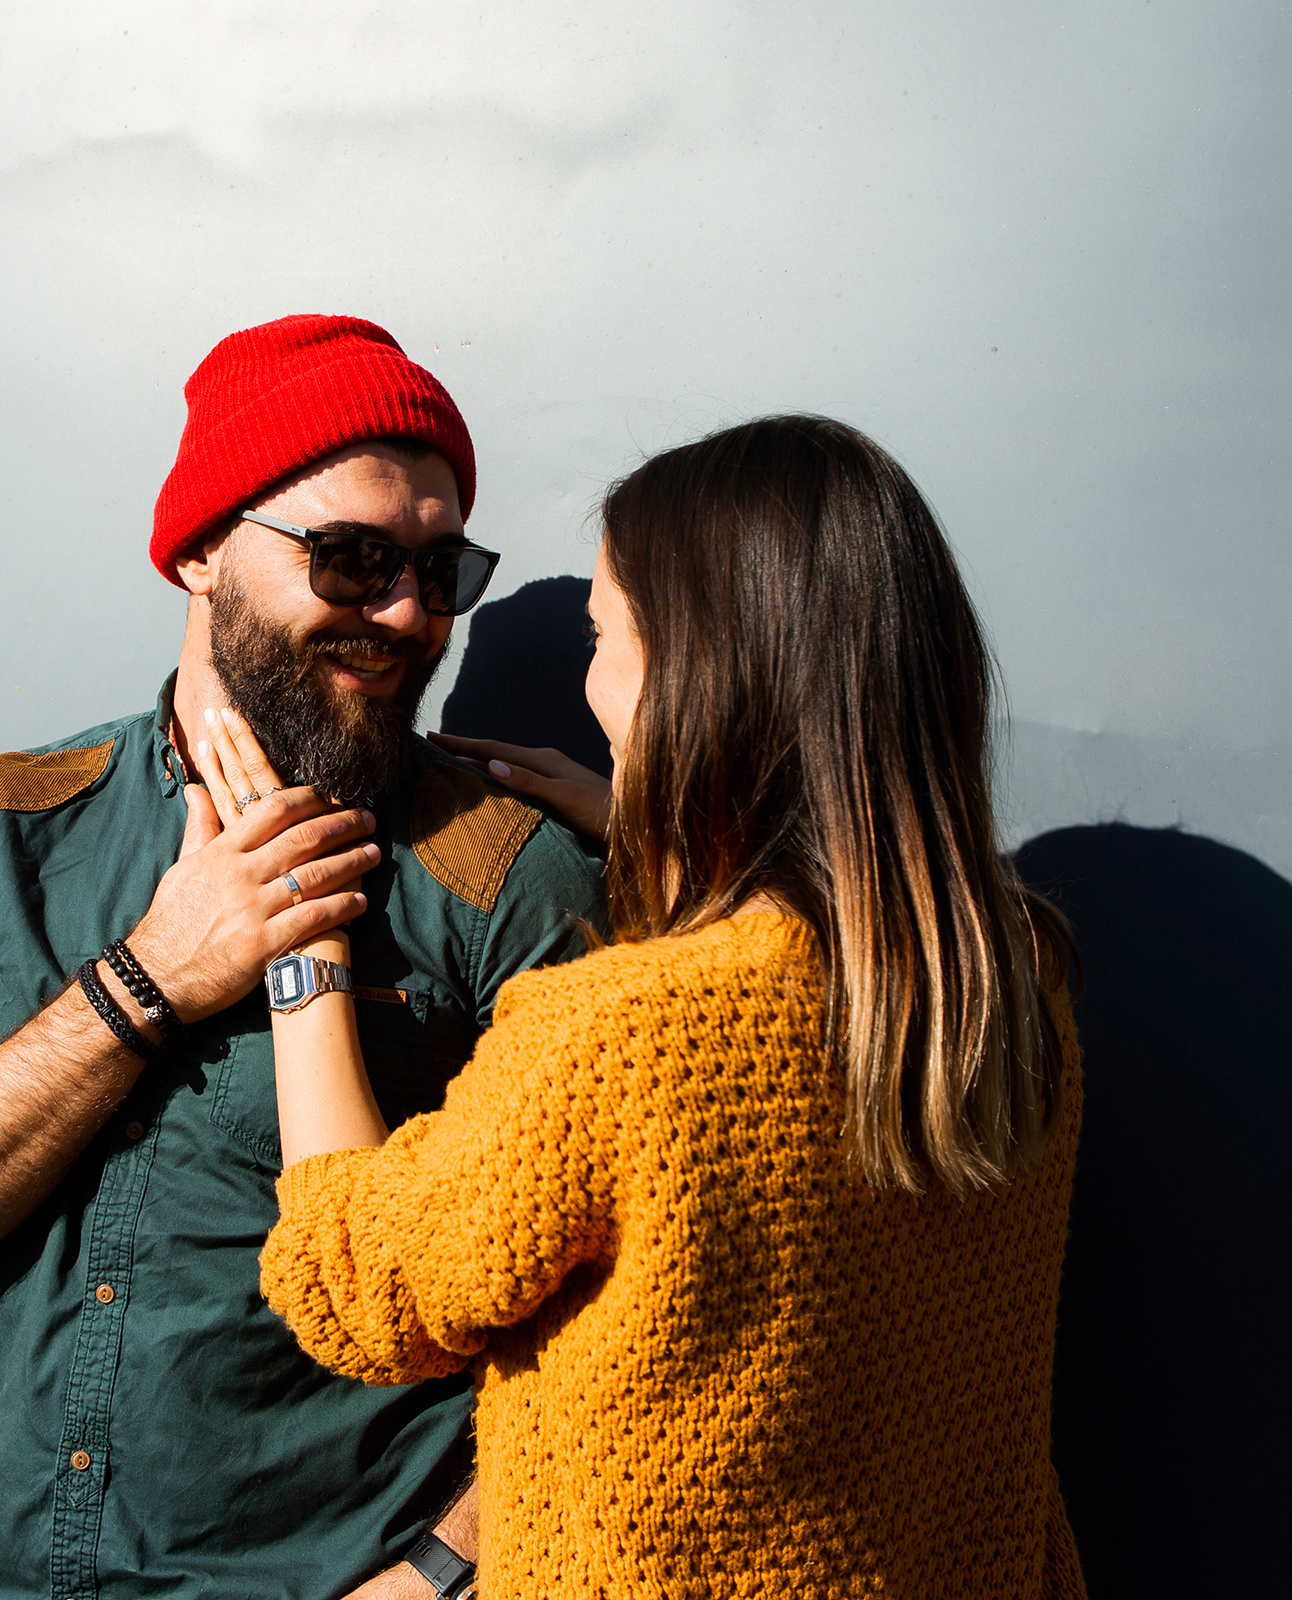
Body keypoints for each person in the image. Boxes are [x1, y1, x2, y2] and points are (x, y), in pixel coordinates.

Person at [0, 314, 607, 1600]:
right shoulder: (6, 829)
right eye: (349, 560)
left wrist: (441, 1575)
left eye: (439, 567)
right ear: (199, 551)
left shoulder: (508, 878)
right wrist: (147, 981)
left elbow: (637, 1319)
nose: (406, 613)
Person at [230, 414, 1086, 1598]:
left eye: (604, 634)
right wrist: (669, 827)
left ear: (695, 674)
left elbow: (360, 1287)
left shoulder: (621, 1038)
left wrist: (301, 945)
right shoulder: (1011, 977)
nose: (592, 683)